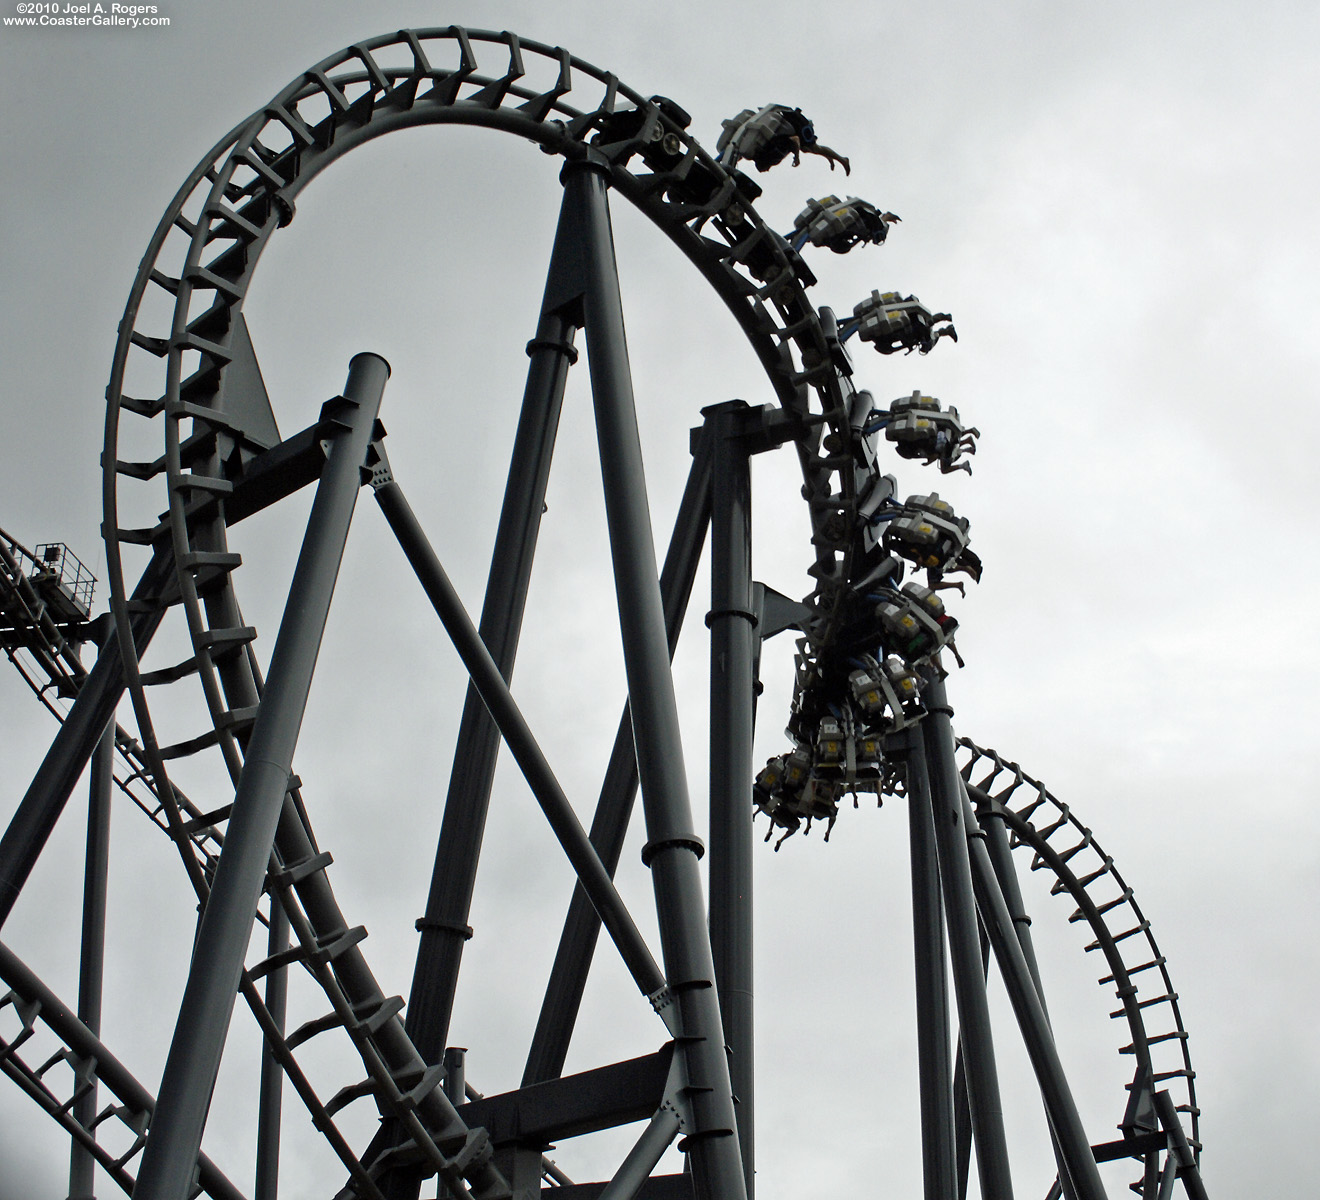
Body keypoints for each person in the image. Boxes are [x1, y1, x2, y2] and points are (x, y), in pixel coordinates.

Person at [717, 104, 850, 174]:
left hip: (796, 123)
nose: (768, 170)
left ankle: (842, 160)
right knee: (810, 149)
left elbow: (795, 139)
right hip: (785, 121)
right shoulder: (764, 147)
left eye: (766, 169)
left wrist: (796, 157)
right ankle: (833, 158)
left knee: (810, 148)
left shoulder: (773, 146)